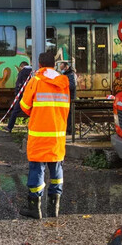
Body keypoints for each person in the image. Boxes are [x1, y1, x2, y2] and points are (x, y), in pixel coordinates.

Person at [19, 52, 70, 219]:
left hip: (39, 135)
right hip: (57, 135)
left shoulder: (36, 81)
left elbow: (25, 106)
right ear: (54, 65)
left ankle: (35, 208)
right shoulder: (64, 83)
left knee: (37, 170)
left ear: (40, 65)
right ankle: (54, 208)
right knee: (56, 170)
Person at [4, 61, 32, 133]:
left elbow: (18, 84)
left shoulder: (22, 72)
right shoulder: (33, 71)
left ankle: (9, 127)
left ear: (22, 66)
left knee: (15, 112)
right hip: (31, 96)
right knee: (32, 113)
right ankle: (31, 128)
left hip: (22, 96)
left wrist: (17, 95)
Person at [58, 61, 77, 135]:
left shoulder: (71, 74)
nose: (61, 69)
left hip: (70, 98)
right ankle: (68, 130)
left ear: (66, 67)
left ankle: (70, 131)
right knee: (67, 115)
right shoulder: (67, 74)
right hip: (66, 98)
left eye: (62, 67)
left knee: (70, 115)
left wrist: (63, 86)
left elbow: (72, 85)